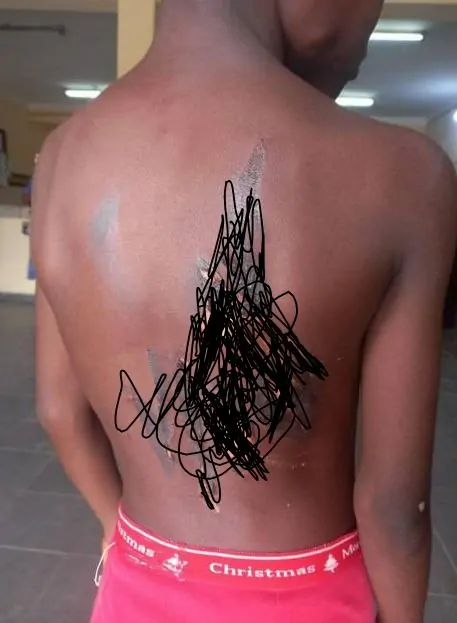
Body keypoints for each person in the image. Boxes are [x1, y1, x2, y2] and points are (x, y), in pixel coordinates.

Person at [31, 0, 457, 621]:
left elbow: (59, 411)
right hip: (311, 599)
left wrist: (114, 530)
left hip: (137, 584)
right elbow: (395, 507)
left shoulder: (62, 156)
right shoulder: (404, 174)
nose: (367, 30)